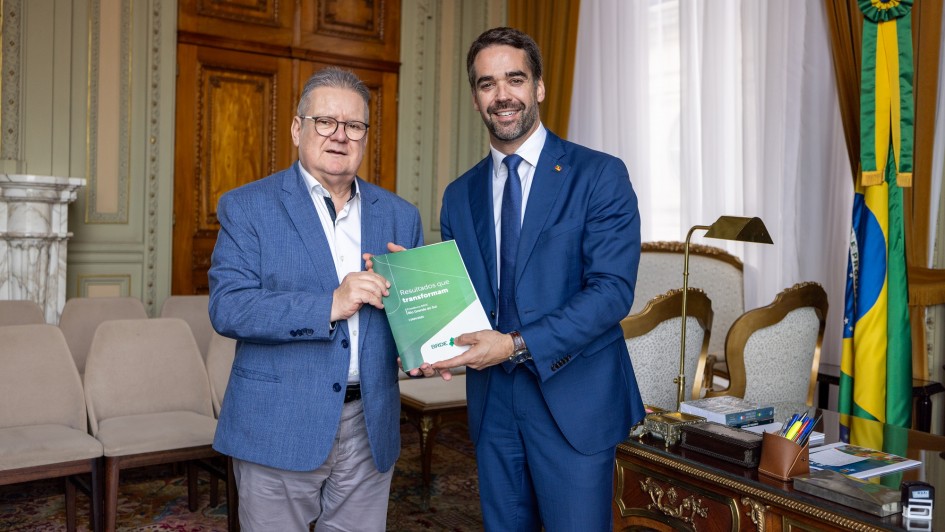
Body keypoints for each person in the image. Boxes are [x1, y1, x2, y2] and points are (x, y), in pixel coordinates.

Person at [431, 27, 645, 531]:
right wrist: (419, 289)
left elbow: (612, 291)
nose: (502, 95)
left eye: (515, 79)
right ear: (476, 97)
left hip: (574, 399)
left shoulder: (599, 175)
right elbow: (462, 298)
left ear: (539, 88)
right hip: (493, 406)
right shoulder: (459, 196)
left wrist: (515, 344)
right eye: (487, 84)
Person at [208, 66, 423, 531]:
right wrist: (329, 304)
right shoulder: (248, 207)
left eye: (354, 125)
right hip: (278, 425)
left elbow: (413, 321)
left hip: (371, 425)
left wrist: (426, 334)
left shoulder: (401, 217)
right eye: (325, 121)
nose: (340, 135)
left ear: (365, 136)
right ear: (296, 128)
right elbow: (229, 306)